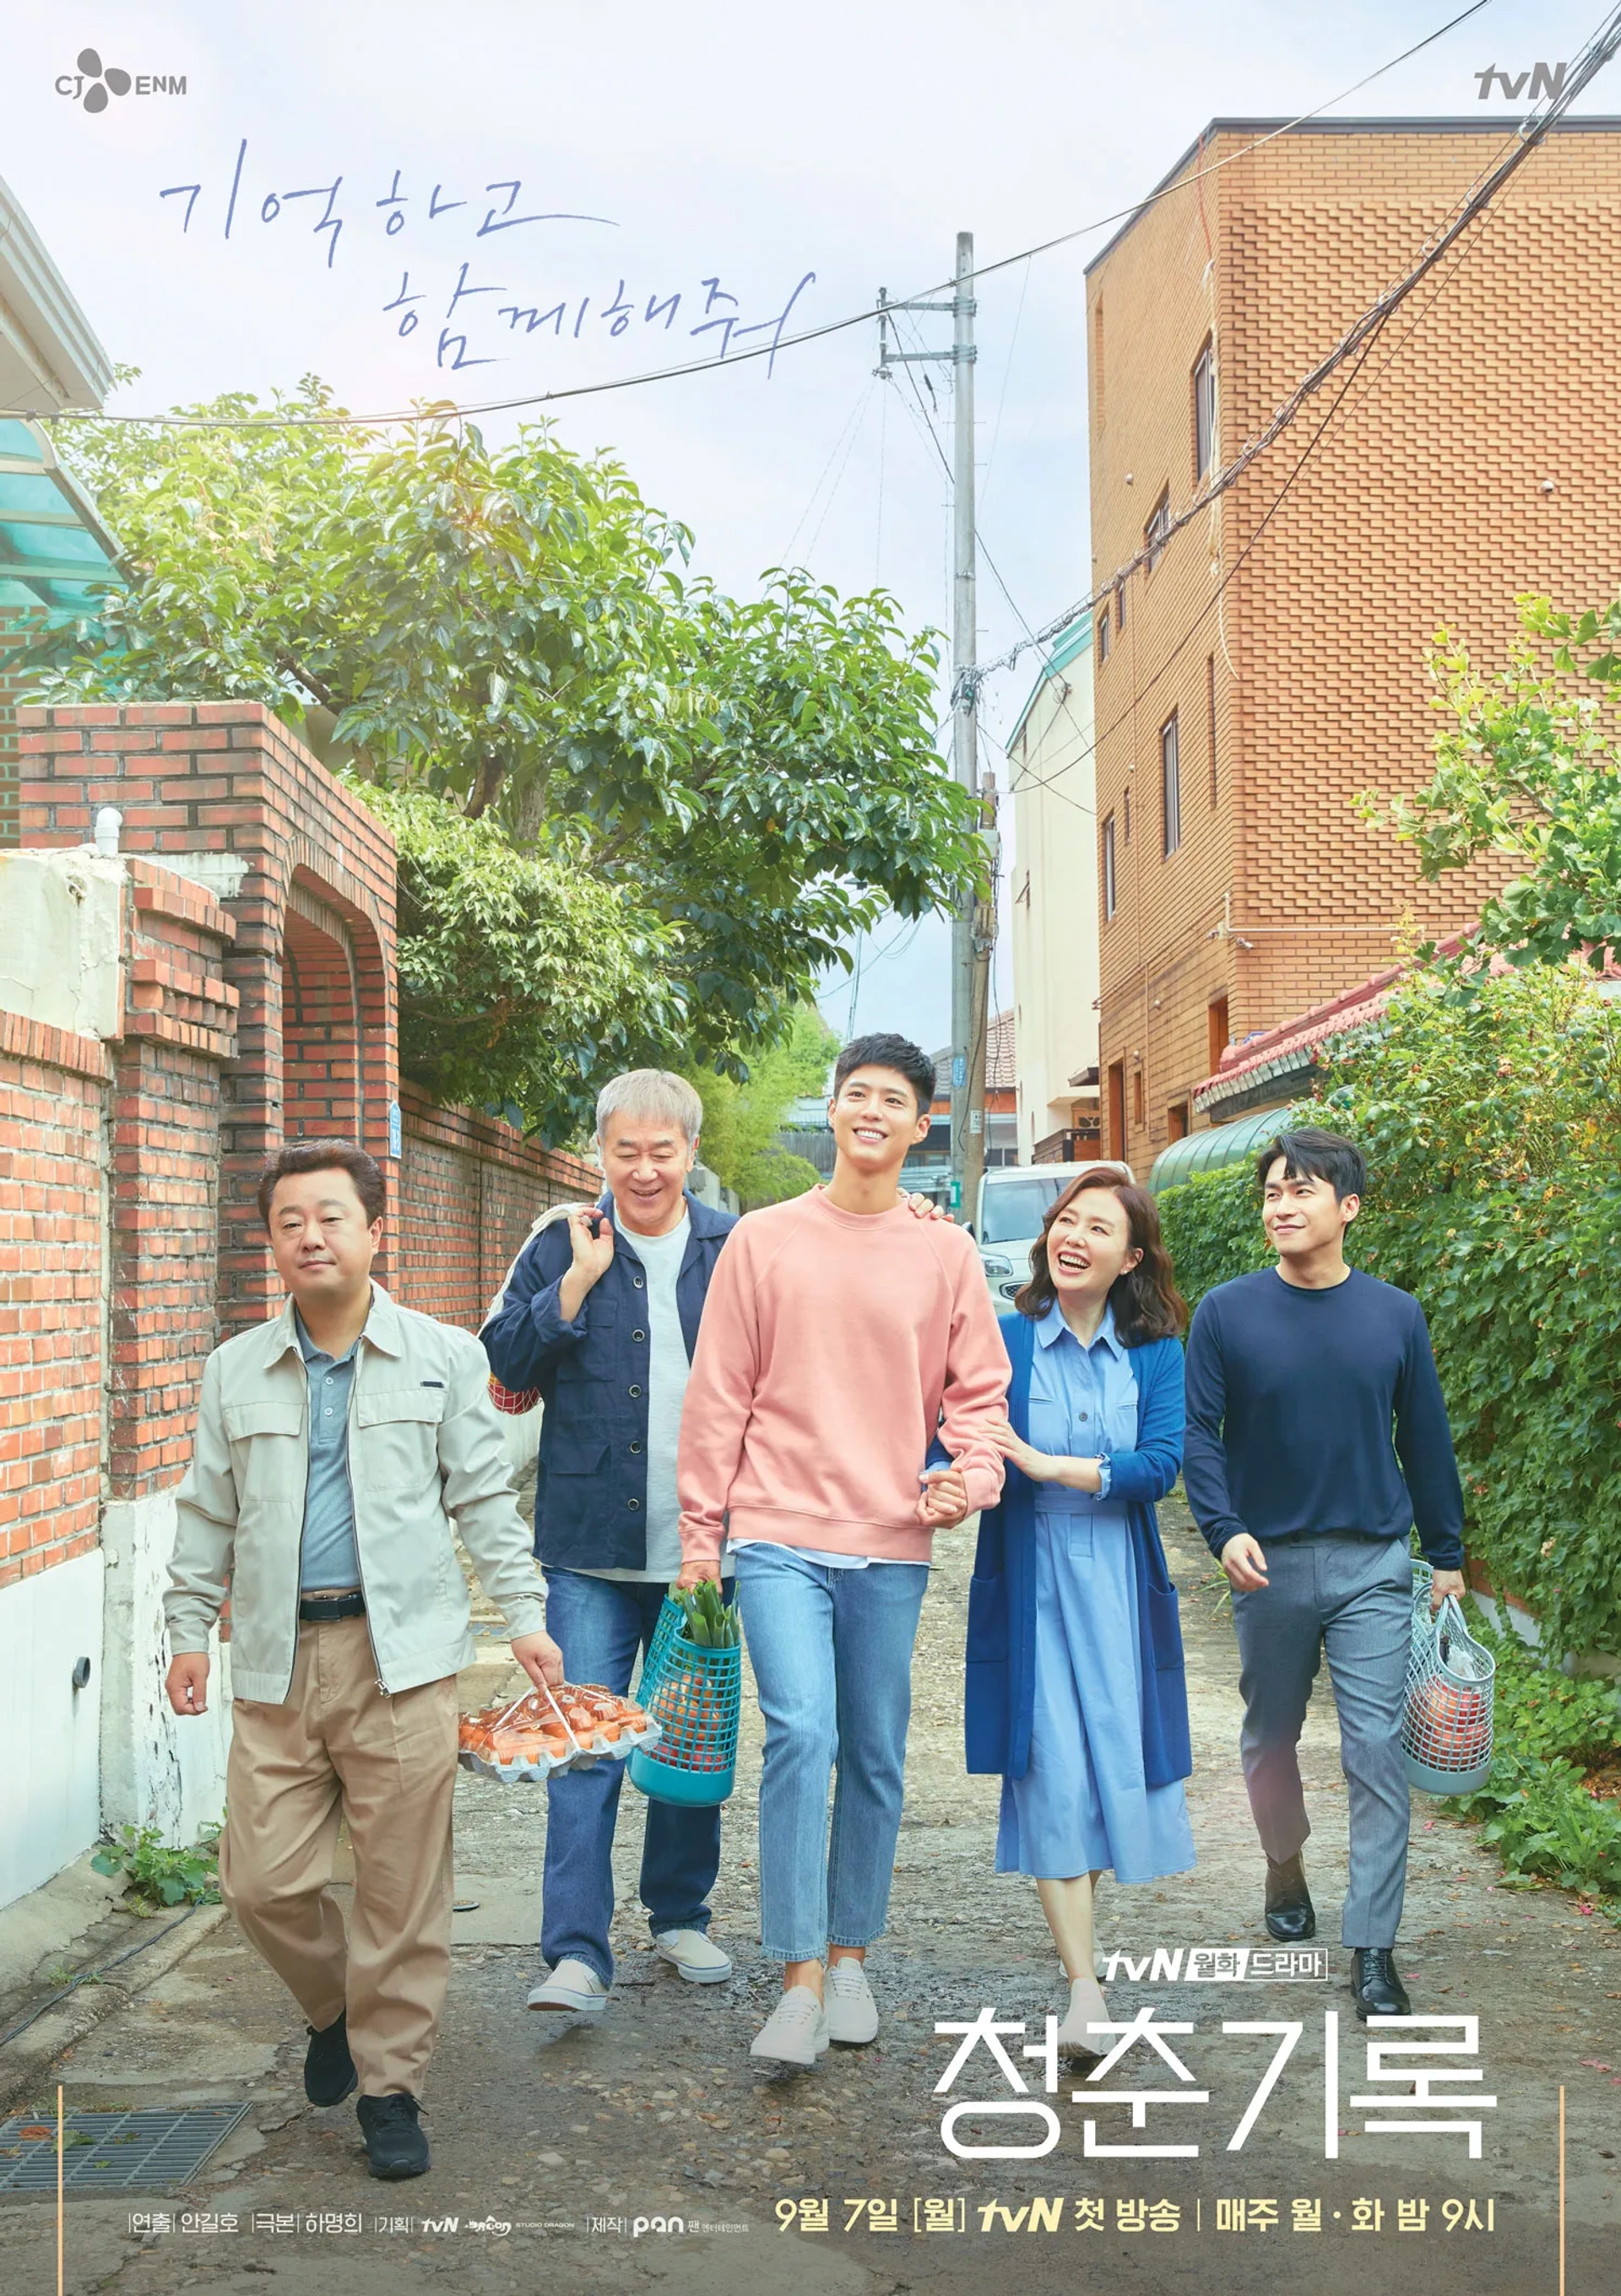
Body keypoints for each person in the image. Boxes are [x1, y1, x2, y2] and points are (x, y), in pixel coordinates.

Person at [164, 1140, 563, 2181]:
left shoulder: (442, 1356)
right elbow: (207, 1511)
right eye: (291, 1220)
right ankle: (331, 2006)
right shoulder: (233, 1368)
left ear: (374, 1229)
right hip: (274, 1660)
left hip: (406, 1661)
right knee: (260, 1883)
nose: (311, 1235)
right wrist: (182, 1628)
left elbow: (482, 1497)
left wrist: (523, 1615)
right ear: (273, 1241)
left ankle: (391, 2088)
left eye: (332, 1216)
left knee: (400, 1890)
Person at [676, 1032, 1011, 2068]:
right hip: (776, 1528)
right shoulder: (764, 1240)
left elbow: (979, 1397)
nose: (872, 1110)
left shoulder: (944, 1249)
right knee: (802, 1735)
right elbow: (719, 1395)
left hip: (894, 1538)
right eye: (855, 1092)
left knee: (873, 1751)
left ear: (922, 1124)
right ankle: (797, 1979)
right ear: (833, 1110)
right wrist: (702, 1539)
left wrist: (972, 1477)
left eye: (895, 1099)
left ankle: (851, 1952)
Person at [1183, 1126, 1467, 2021]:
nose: (1281, 1205)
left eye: (1300, 1190)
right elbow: (1200, 1435)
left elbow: (1425, 1438)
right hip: (1264, 1562)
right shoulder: (1227, 1311)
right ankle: (1283, 1859)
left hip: (1372, 1563)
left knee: (1375, 1748)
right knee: (1269, 1734)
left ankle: (1373, 1945)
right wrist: (1222, 1530)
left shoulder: (1395, 1314)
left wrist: (1449, 1555)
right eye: (1272, 1191)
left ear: (1347, 1207)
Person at [478, 1070, 739, 2018]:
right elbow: (504, 1361)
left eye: (661, 1150)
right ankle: (578, 1954)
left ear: (689, 1153)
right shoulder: (561, 1240)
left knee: (686, 1743)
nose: (643, 1168)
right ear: (600, 1151)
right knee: (583, 1748)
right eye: (624, 1149)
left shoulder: (732, 1246)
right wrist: (575, 1288)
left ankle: (679, 1912)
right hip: (588, 1545)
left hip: (705, 1547)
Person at [967, 1170, 1194, 2055]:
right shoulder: (1008, 1338)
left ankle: (1080, 1948)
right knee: (1052, 1771)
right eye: (1066, 1219)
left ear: (1129, 1256)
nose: (1074, 1235)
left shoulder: (1155, 1351)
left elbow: (1161, 1465)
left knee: (1109, 1776)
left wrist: (1054, 1462)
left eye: (1098, 1226)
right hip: (1031, 1579)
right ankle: (1085, 1988)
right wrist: (964, 1472)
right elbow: (963, 1435)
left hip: (1122, 1586)